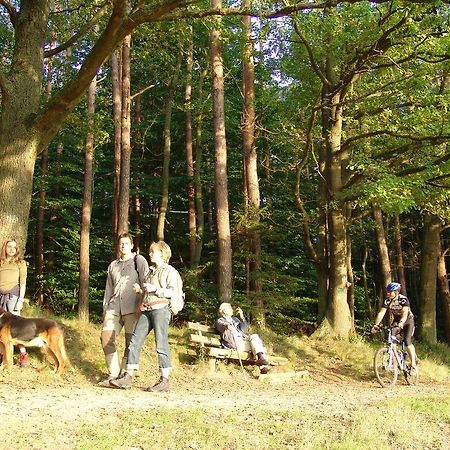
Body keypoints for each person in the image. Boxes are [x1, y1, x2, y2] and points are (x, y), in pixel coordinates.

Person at [110, 241, 182, 392]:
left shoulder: (170, 271)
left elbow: (172, 292)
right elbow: (149, 291)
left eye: (152, 252)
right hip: (146, 310)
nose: (149, 254)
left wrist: (155, 289)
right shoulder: (151, 271)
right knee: (134, 341)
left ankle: (165, 379)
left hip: (161, 310)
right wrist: (141, 291)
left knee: (161, 343)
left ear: (162, 254)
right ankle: (128, 376)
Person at [99, 233, 149, 386]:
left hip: (133, 308)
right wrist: (105, 308)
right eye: (121, 243)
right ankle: (112, 373)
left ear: (132, 245)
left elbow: (147, 281)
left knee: (130, 343)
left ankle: (124, 374)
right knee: (106, 337)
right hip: (113, 308)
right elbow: (108, 289)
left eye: (126, 243)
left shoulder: (138, 261)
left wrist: (143, 302)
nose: (123, 246)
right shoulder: (113, 265)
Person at [371, 281, 418, 373]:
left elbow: (405, 313)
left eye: (390, 292)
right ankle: (394, 358)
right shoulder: (387, 300)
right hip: (397, 321)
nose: (388, 293)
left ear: (396, 292)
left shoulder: (403, 299)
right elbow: (381, 313)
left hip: (408, 321)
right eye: (387, 292)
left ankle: (413, 364)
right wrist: (375, 325)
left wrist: (402, 321)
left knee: (407, 341)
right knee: (391, 337)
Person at [215, 302, 271, 374]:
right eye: (230, 308)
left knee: (255, 336)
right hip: (234, 344)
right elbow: (220, 326)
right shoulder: (220, 320)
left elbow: (244, 329)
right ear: (225, 310)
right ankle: (262, 366)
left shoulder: (234, 319)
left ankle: (261, 360)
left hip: (242, 341)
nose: (232, 310)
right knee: (261, 348)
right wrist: (226, 326)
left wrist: (242, 317)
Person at [0, 238, 29, 366]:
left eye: (14, 247)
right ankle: (3, 356)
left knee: (16, 328)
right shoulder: (0, 263)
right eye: (9, 246)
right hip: (0, 296)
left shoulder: (20, 263)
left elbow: (22, 283)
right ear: (4, 248)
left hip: (13, 296)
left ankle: (23, 355)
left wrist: (20, 300)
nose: (11, 249)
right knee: (1, 329)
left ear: (17, 250)